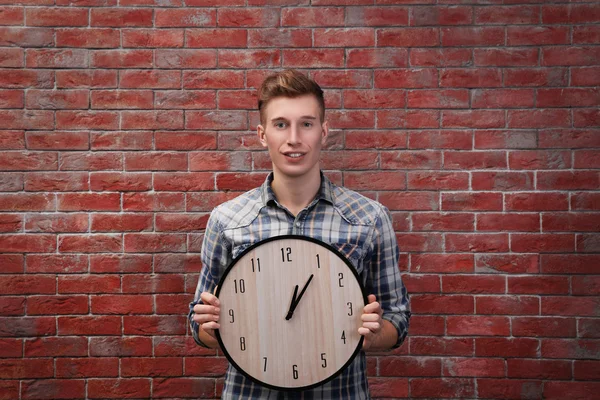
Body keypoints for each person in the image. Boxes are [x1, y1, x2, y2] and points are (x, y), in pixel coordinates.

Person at [188, 69, 410, 399]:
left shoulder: (369, 218)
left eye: (306, 124)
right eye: (281, 124)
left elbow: (397, 317)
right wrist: (207, 325)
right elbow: (199, 324)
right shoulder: (227, 220)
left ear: (323, 131)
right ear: (263, 135)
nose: (294, 138)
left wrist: (372, 335)